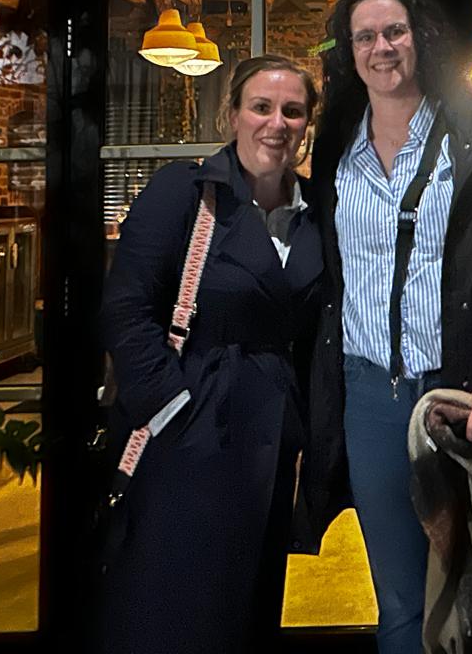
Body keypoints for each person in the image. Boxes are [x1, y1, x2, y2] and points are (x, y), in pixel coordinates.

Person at [295, 0, 472, 654]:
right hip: (369, 398)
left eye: (395, 32)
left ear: (419, 38)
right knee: (401, 600)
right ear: (348, 51)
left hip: (461, 394)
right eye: (364, 37)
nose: (381, 48)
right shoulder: (336, 147)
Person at [98, 54, 322, 654]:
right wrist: (171, 407)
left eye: (293, 111)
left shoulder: (314, 215)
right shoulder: (186, 192)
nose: (276, 123)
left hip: (271, 445)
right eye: (261, 107)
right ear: (233, 114)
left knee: (248, 608)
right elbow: (126, 308)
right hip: (190, 433)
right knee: (178, 610)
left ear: (307, 124)